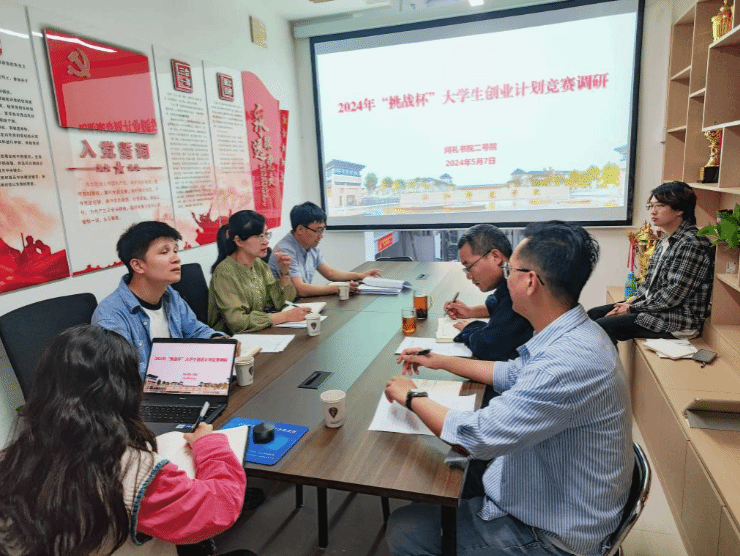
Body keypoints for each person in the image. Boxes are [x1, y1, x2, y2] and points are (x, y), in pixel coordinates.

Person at [386, 221, 633, 556]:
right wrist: (439, 360)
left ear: (529, 281)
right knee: (450, 477)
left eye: (510, 270)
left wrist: (412, 396)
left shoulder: (566, 363)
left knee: (404, 530)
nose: (506, 277)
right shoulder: (574, 334)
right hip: (552, 494)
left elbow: (476, 437)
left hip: (551, 534)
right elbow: (511, 372)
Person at [0, 325, 249, 556]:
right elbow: (220, 504)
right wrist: (209, 444)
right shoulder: (132, 472)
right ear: (124, 391)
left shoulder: (11, 460)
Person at [93, 221, 227, 380]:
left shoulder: (170, 296)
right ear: (138, 265)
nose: (176, 258)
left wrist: (218, 341)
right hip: (144, 393)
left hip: (181, 382)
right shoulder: (110, 315)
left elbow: (195, 331)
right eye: (164, 252)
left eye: (175, 250)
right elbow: (121, 376)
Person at [588, 181, 713, 343]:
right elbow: (650, 284)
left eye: (660, 206)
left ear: (680, 209)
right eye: (651, 206)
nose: (653, 211)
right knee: (593, 314)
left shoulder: (693, 243)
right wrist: (631, 301)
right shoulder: (666, 238)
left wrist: (632, 308)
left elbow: (674, 294)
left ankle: (605, 361)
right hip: (655, 309)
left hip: (676, 320)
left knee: (603, 326)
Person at [442, 224, 533, 361]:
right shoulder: (514, 275)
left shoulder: (517, 290)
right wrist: (470, 311)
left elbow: (487, 346)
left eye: (469, 267)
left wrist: (470, 328)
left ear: (495, 256)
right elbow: (498, 306)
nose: (469, 276)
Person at [208, 210, 309, 334]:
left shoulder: (259, 264)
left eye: (266, 234)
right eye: (259, 236)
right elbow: (237, 321)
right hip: (233, 338)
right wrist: (285, 316)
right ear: (238, 241)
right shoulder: (225, 273)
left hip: (258, 332)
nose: (266, 241)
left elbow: (282, 303)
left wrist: (284, 273)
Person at [268, 201, 381, 297]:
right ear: (300, 229)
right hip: (284, 307)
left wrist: (361, 275)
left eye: (322, 230)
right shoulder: (285, 251)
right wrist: (339, 288)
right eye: (318, 230)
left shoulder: (311, 246)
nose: (321, 235)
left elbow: (330, 273)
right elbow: (301, 290)